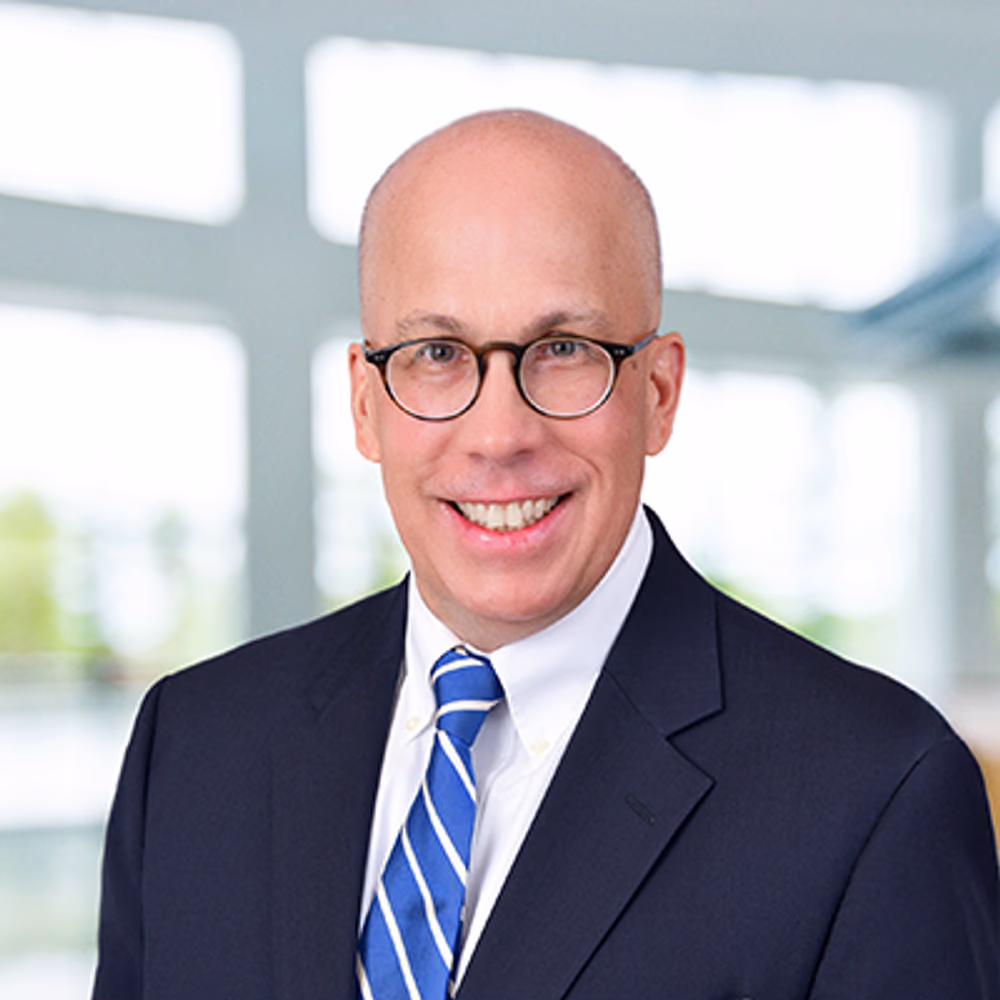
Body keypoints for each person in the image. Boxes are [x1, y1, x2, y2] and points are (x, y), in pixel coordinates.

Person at [92, 110, 1000, 1000]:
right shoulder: (194, 746)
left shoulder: (877, 793)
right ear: (366, 404)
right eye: (437, 352)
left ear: (658, 392)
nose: (499, 434)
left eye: (564, 349)